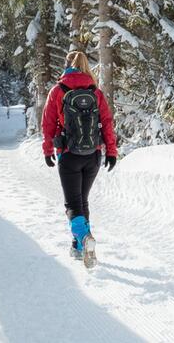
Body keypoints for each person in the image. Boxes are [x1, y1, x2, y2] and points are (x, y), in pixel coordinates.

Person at [41, 51, 117, 266]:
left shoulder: (58, 90)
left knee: (73, 204)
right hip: (93, 154)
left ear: (66, 66)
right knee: (82, 201)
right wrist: (111, 151)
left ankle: (84, 238)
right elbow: (107, 122)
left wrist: (48, 150)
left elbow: (48, 124)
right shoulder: (95, 91)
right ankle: (79, 246)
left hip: (68, 154)